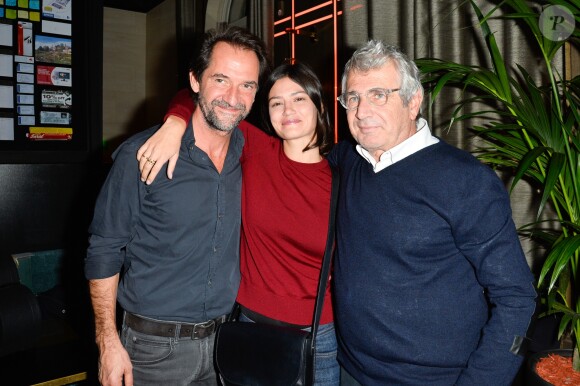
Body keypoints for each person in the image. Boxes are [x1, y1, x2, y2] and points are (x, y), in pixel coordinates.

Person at [138, 40, 536, 386]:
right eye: (354, 98)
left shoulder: (465, 180)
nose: (363, 111)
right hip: (349, 367)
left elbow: (516, 298)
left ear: (414, 101)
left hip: (430, 376)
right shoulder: (350, 162)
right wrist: (175, 121)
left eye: (379, 94)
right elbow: (214, 105)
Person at [84, 25, 269, 386]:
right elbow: (104, 249)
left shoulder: (251, 152)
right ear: (195, 81)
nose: (234, 96)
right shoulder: (142, 156)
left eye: (247, 85)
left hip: (226, 346)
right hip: (152, 351)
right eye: (221, 80)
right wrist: (107, 342)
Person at [138, 62, 340, 385]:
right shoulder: (255, 148)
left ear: (319, 104)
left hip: (316, 336)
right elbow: (202, 99)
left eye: (299, 99)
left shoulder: (342, 181)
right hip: (248, 327)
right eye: (276, 102)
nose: (287, 109)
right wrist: (175, 122)